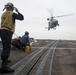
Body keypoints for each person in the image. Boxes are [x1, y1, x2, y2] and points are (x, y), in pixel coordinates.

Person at [0, 2, 24, 74]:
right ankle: (4, 67)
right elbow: (21, 18)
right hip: (7, 31)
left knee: (4, 46)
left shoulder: (3, 14)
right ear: (12, 8)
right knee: (7, 48)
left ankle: (5, 59)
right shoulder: (12, 13)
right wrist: (18, 11)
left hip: (1, 31)